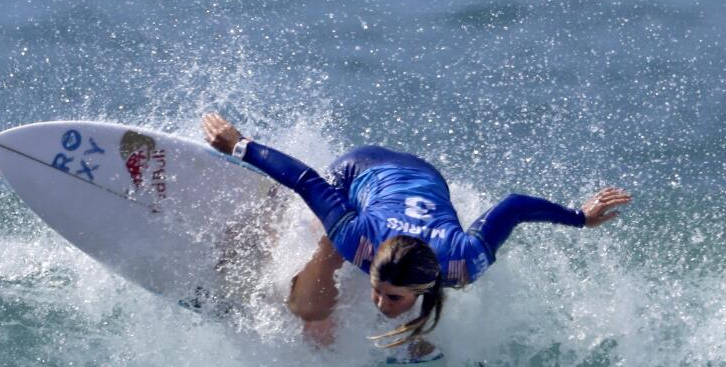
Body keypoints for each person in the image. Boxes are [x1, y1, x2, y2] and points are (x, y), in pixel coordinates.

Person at [200, 113, 630, 349]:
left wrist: (580, 219)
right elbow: (307, 180)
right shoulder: (359, 237)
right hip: (360, 170)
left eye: (391, 297)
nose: (379, 300)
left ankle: (413, 338)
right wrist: (240, 145)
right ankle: (262, 229)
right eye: (381, 291)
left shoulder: (462, 261)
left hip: (424, 175)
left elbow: (514, 207)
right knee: (322, 255)